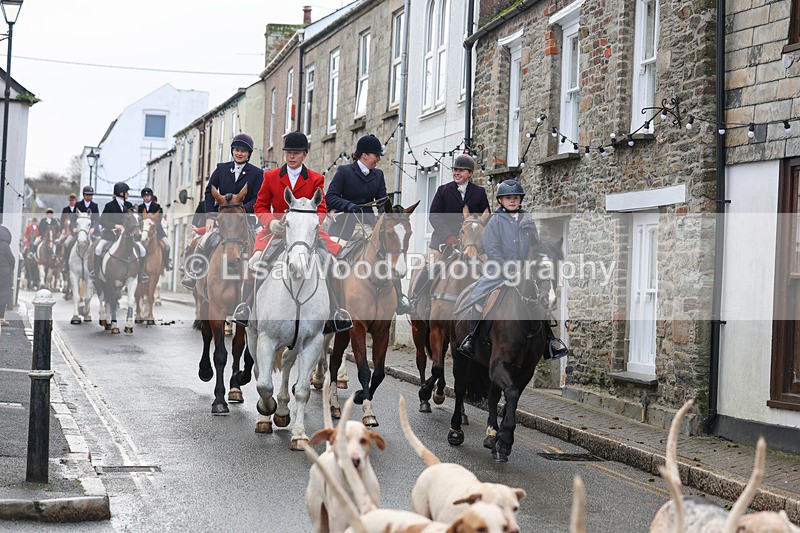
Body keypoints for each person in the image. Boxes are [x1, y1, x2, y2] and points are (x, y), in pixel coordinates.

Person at [231, 131, 349, 330]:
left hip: (307, 233)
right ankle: (246, 307)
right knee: (255, 262)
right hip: (275, 231)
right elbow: (260, 206)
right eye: (288, 153)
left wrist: (310, 223)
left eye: (296, 153)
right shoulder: (270, 177)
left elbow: (321, 208)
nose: (291, 157)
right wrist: (270, 223)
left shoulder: (315, 179)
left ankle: (338, 312)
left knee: (332, 263)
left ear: (304, 155)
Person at [456, 179, 569, 360]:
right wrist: (506, 267)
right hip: (499, 269)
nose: (512, 201)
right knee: (479, 295)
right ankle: (472, 337)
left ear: (520, 200)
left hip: (524, 270)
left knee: (541, 296)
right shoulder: (495, 220)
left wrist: (530, 264)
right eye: (508, 198)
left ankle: (549, 340)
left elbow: (535, 246)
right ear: (501, 200)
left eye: (515, 198)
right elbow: (491, 246)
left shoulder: (527, 219)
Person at [325, 133, 414, 315]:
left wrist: (388, 216)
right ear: (364, 155)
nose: (379, 159)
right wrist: (347, 205)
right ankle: (330, 304)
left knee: (388, 254)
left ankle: (399, 297)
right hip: (344, 227)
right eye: (376, 155)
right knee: (330, 261)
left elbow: (382, 202)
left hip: (368, 225)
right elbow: (330, 198)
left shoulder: (378, 175)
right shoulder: (344, 172)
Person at [181, 133, 263, 290]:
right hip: (224, 219)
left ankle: (264, 278)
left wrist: (243, 210)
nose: (239, 153)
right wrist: (211, 216)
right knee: (205, 239)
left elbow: (259, 197)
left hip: (247, 217)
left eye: (243, 151)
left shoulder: (257, 173)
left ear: (249, 154)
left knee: (261, 240)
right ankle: (193, 272)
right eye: (237, 150)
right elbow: (208, 192)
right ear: (232, 151)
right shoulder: (221, 169)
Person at [410, 154, 490, 303]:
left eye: (461, 170)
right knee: (430, 268)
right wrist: (448, 237)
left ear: (470, 174)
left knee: (489, 267)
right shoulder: (443, 190)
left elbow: (485, 218)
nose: (456, 173)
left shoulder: (479, 192)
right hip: (443, 242)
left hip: (470, 243)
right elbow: (434, 215)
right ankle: (417, 301)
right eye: (455, 170)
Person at [93, 182, 148, 282]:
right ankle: (95, 271)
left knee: (143, 250)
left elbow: (133, 219)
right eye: (126, 192)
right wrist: (115, 225)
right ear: (121, 193)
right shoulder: (109, 205)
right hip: (110, 235)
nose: (128, 194)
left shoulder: (129, 205)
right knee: (98, 248)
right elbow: (102, 220)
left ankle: (141, 274)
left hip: (128, 236)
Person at [138, 187, 173, 271]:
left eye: (148, 196)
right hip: (143, 231)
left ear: (151, 196)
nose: (146, 197)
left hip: (157, 231)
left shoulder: (158, 207)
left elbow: (158, 221)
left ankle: (166, 262)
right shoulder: (140, 208)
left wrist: (152, 227)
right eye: (144, 196)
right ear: (143, 197)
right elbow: (139, 220)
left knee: (167, 245)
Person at [0, 225, 14, 326]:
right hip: (4, 274)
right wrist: (10, 270)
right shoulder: (5, 245)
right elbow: (12, 260)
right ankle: (1, 318)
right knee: (3, 295)